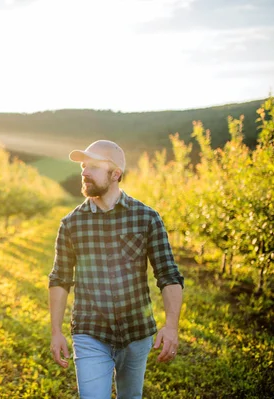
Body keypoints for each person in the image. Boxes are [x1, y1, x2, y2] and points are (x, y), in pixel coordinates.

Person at [48, 140, 184, 399]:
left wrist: (171, 326)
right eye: (83, 166)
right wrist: (56, 332)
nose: (84, 172)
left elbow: (168, 275)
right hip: (90, 331)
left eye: (94, 166)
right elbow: (60, 280)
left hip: (136, 332)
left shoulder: (146, 218)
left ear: (116, 174)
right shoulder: (71, 224)